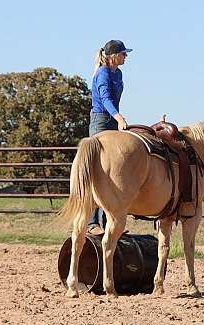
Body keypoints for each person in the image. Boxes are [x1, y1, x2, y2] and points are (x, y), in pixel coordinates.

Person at [87, 39, 133, 232]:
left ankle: (108, 224)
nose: (126, 56)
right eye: (123, 53)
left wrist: (117, 119)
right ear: (114, 56)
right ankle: (92, 223)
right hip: (100, 120)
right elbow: (105, 98)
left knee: (111, 174)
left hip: (112, 119)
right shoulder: (102, 74)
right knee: (96, 170)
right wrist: (119, 117)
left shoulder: (118, 73)